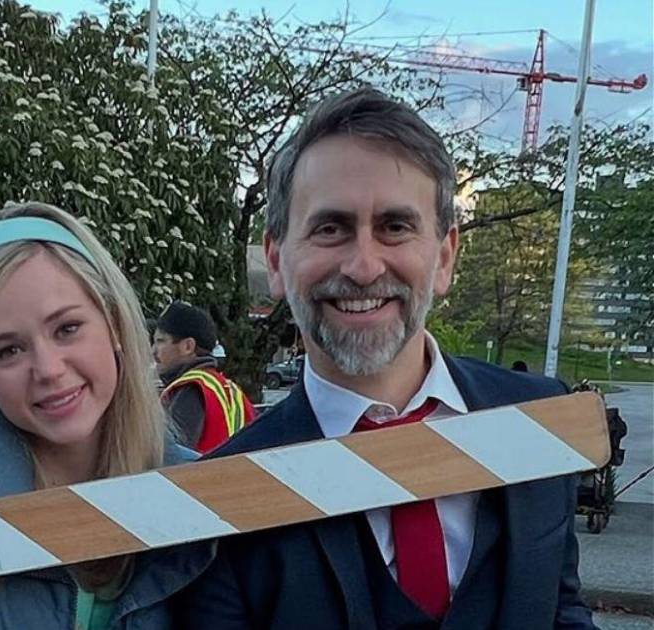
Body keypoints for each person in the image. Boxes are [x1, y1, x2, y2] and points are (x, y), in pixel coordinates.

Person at [175, 87, 595, 628]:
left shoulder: (538, 419)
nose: (364, 267)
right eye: (330, 228)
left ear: (445, 257)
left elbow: (562, 611)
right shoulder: (221, 492)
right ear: (276, 260)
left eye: (395, 227)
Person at [0, 202, 212, 630]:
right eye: (8, 350)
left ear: (113, 323)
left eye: (67, 329)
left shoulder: (208, 496)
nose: (49, 369)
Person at [152, 302, 254, 452]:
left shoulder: (190, 388)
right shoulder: (228, 388)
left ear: (188, 346)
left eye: (160, 342)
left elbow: (169, 455)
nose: (153, 351)